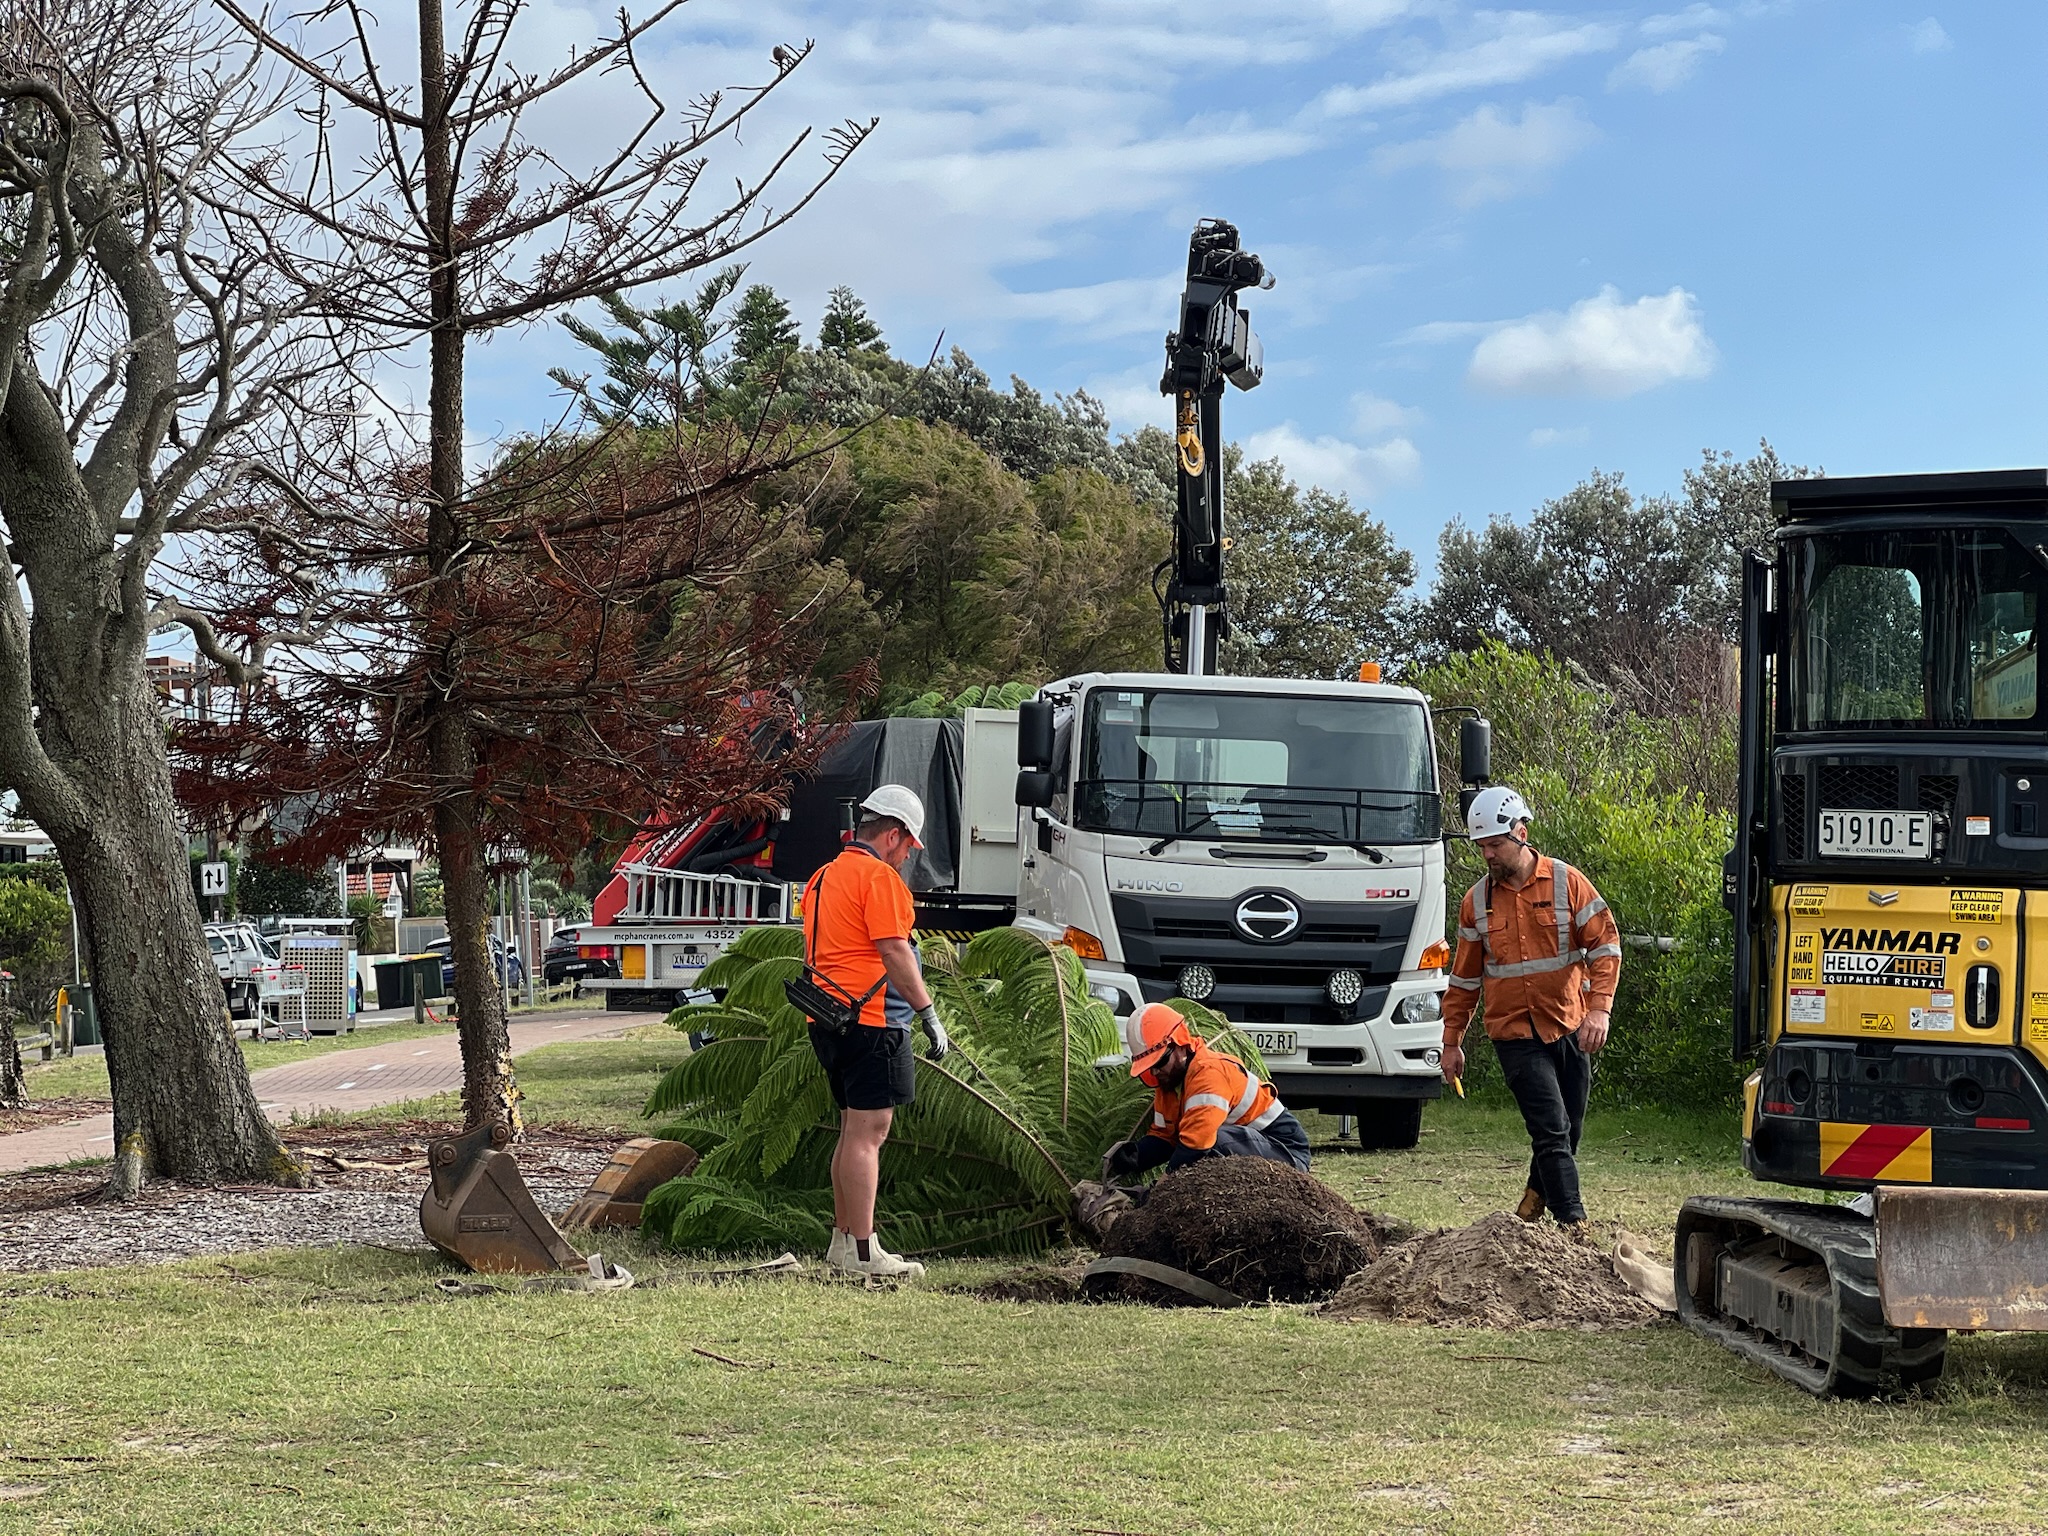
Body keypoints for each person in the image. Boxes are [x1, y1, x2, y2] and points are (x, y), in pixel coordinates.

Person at [1438, 786, 1622, 1233]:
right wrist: (1451, 1042)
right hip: (1514, 1035)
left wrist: (1599, 1010)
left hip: (1569, 1025)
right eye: (1481, 847)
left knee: (1569, 1130)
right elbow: (1463, 981)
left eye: (1495, 844)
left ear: (1521, 834)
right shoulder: (1474, 903)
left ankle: (1534, 1198)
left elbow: (1605, 946)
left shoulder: (1568, 883)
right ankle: (1573, 1224)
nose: (1488, 855)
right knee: (1552, 1130)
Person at [799, 784, 951, 1280]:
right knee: (870, 1134)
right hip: (872, 1022)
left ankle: (844, 1243)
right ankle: (865, 1255)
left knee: (851, 1131)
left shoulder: (822, 877)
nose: (909, 856)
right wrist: (928, 1012)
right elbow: (894, 951)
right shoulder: (879, 879)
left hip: (825, 1018)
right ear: (892, 835)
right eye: (909, 846)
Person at [1101, 1002, 1312, 1183]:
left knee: (1212, 1142)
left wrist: (1158, 1191)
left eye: (1160, 1061)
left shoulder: (1209, 1073)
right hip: (1249, 1145)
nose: (1156, 1071)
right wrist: (1138, 1156)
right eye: (1149, 1067)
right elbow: (1165, 1137)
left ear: (1180, 1045)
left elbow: (1196, 1145)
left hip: (1286, 1152)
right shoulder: (1168, 1086)